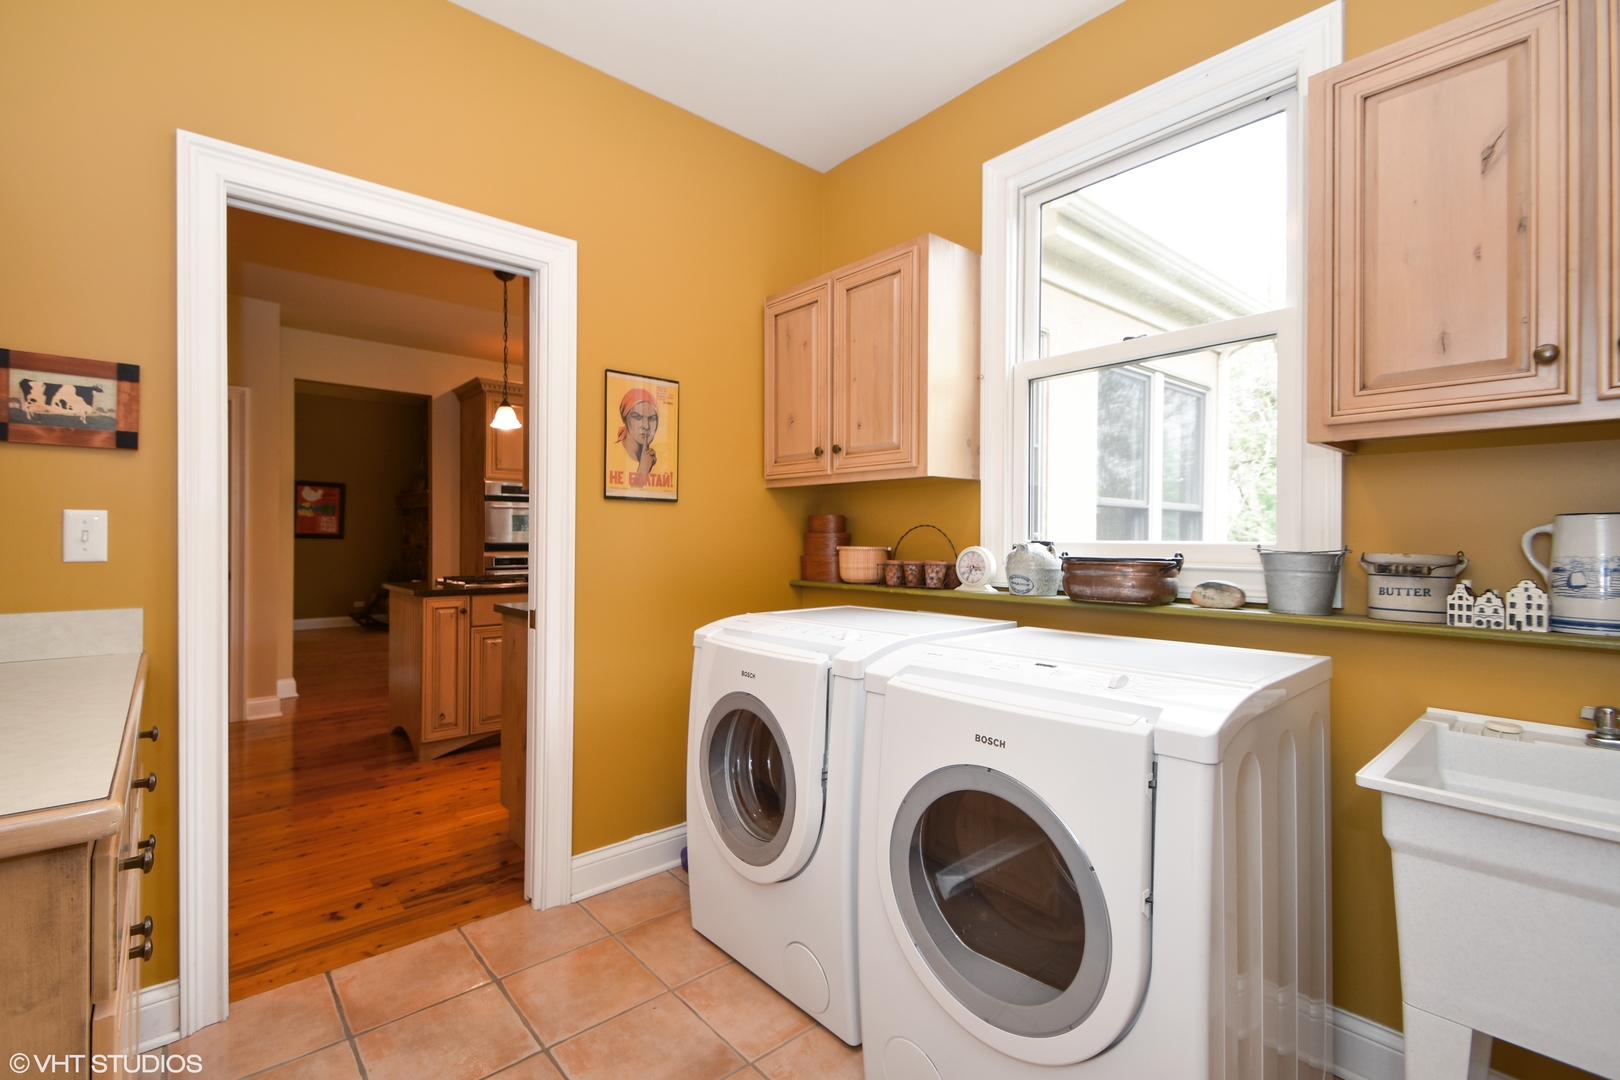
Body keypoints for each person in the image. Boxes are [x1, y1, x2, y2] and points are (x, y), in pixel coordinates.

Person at [616, 387, 659, 487]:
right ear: (625, 419)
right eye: (637, 417)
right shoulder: (614, 454)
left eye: (652, 419)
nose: (646, 426)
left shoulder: (659, 460)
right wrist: (643, 471)